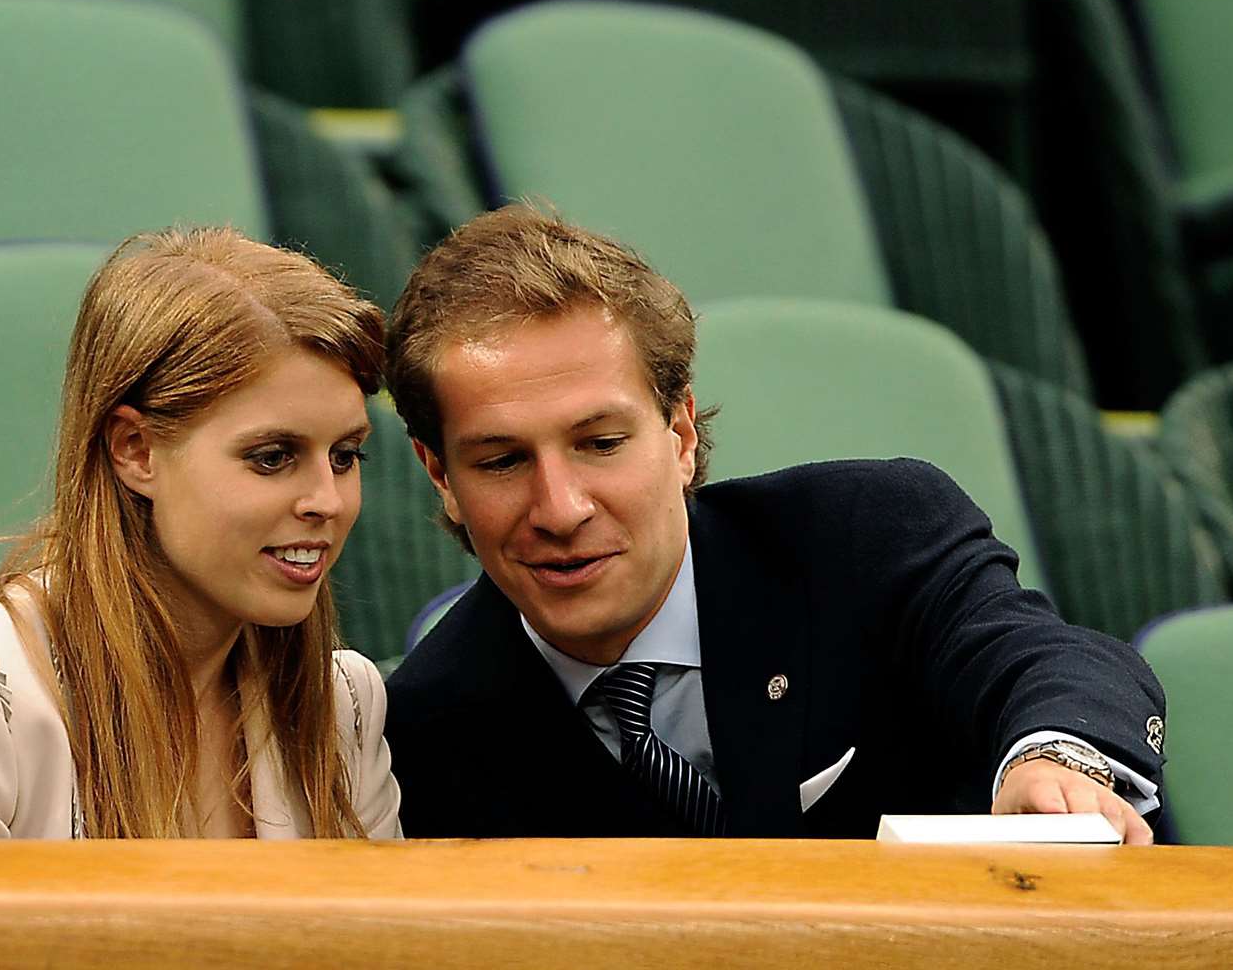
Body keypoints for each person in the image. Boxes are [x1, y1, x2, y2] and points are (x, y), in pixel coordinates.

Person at [383, 204, 1165, 843]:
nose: (560, 509)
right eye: (501, 462)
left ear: (681, 435)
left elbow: (1046, 660)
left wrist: (1053, 766)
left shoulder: (866, 540)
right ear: (440, 476)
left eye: (601, 444)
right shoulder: (427, 730)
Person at [0, 227, 401, 839]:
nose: (327, 500)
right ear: (136, 450)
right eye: (271, 457)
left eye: (345, 456)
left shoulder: (345, 703)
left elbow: (387, 939)